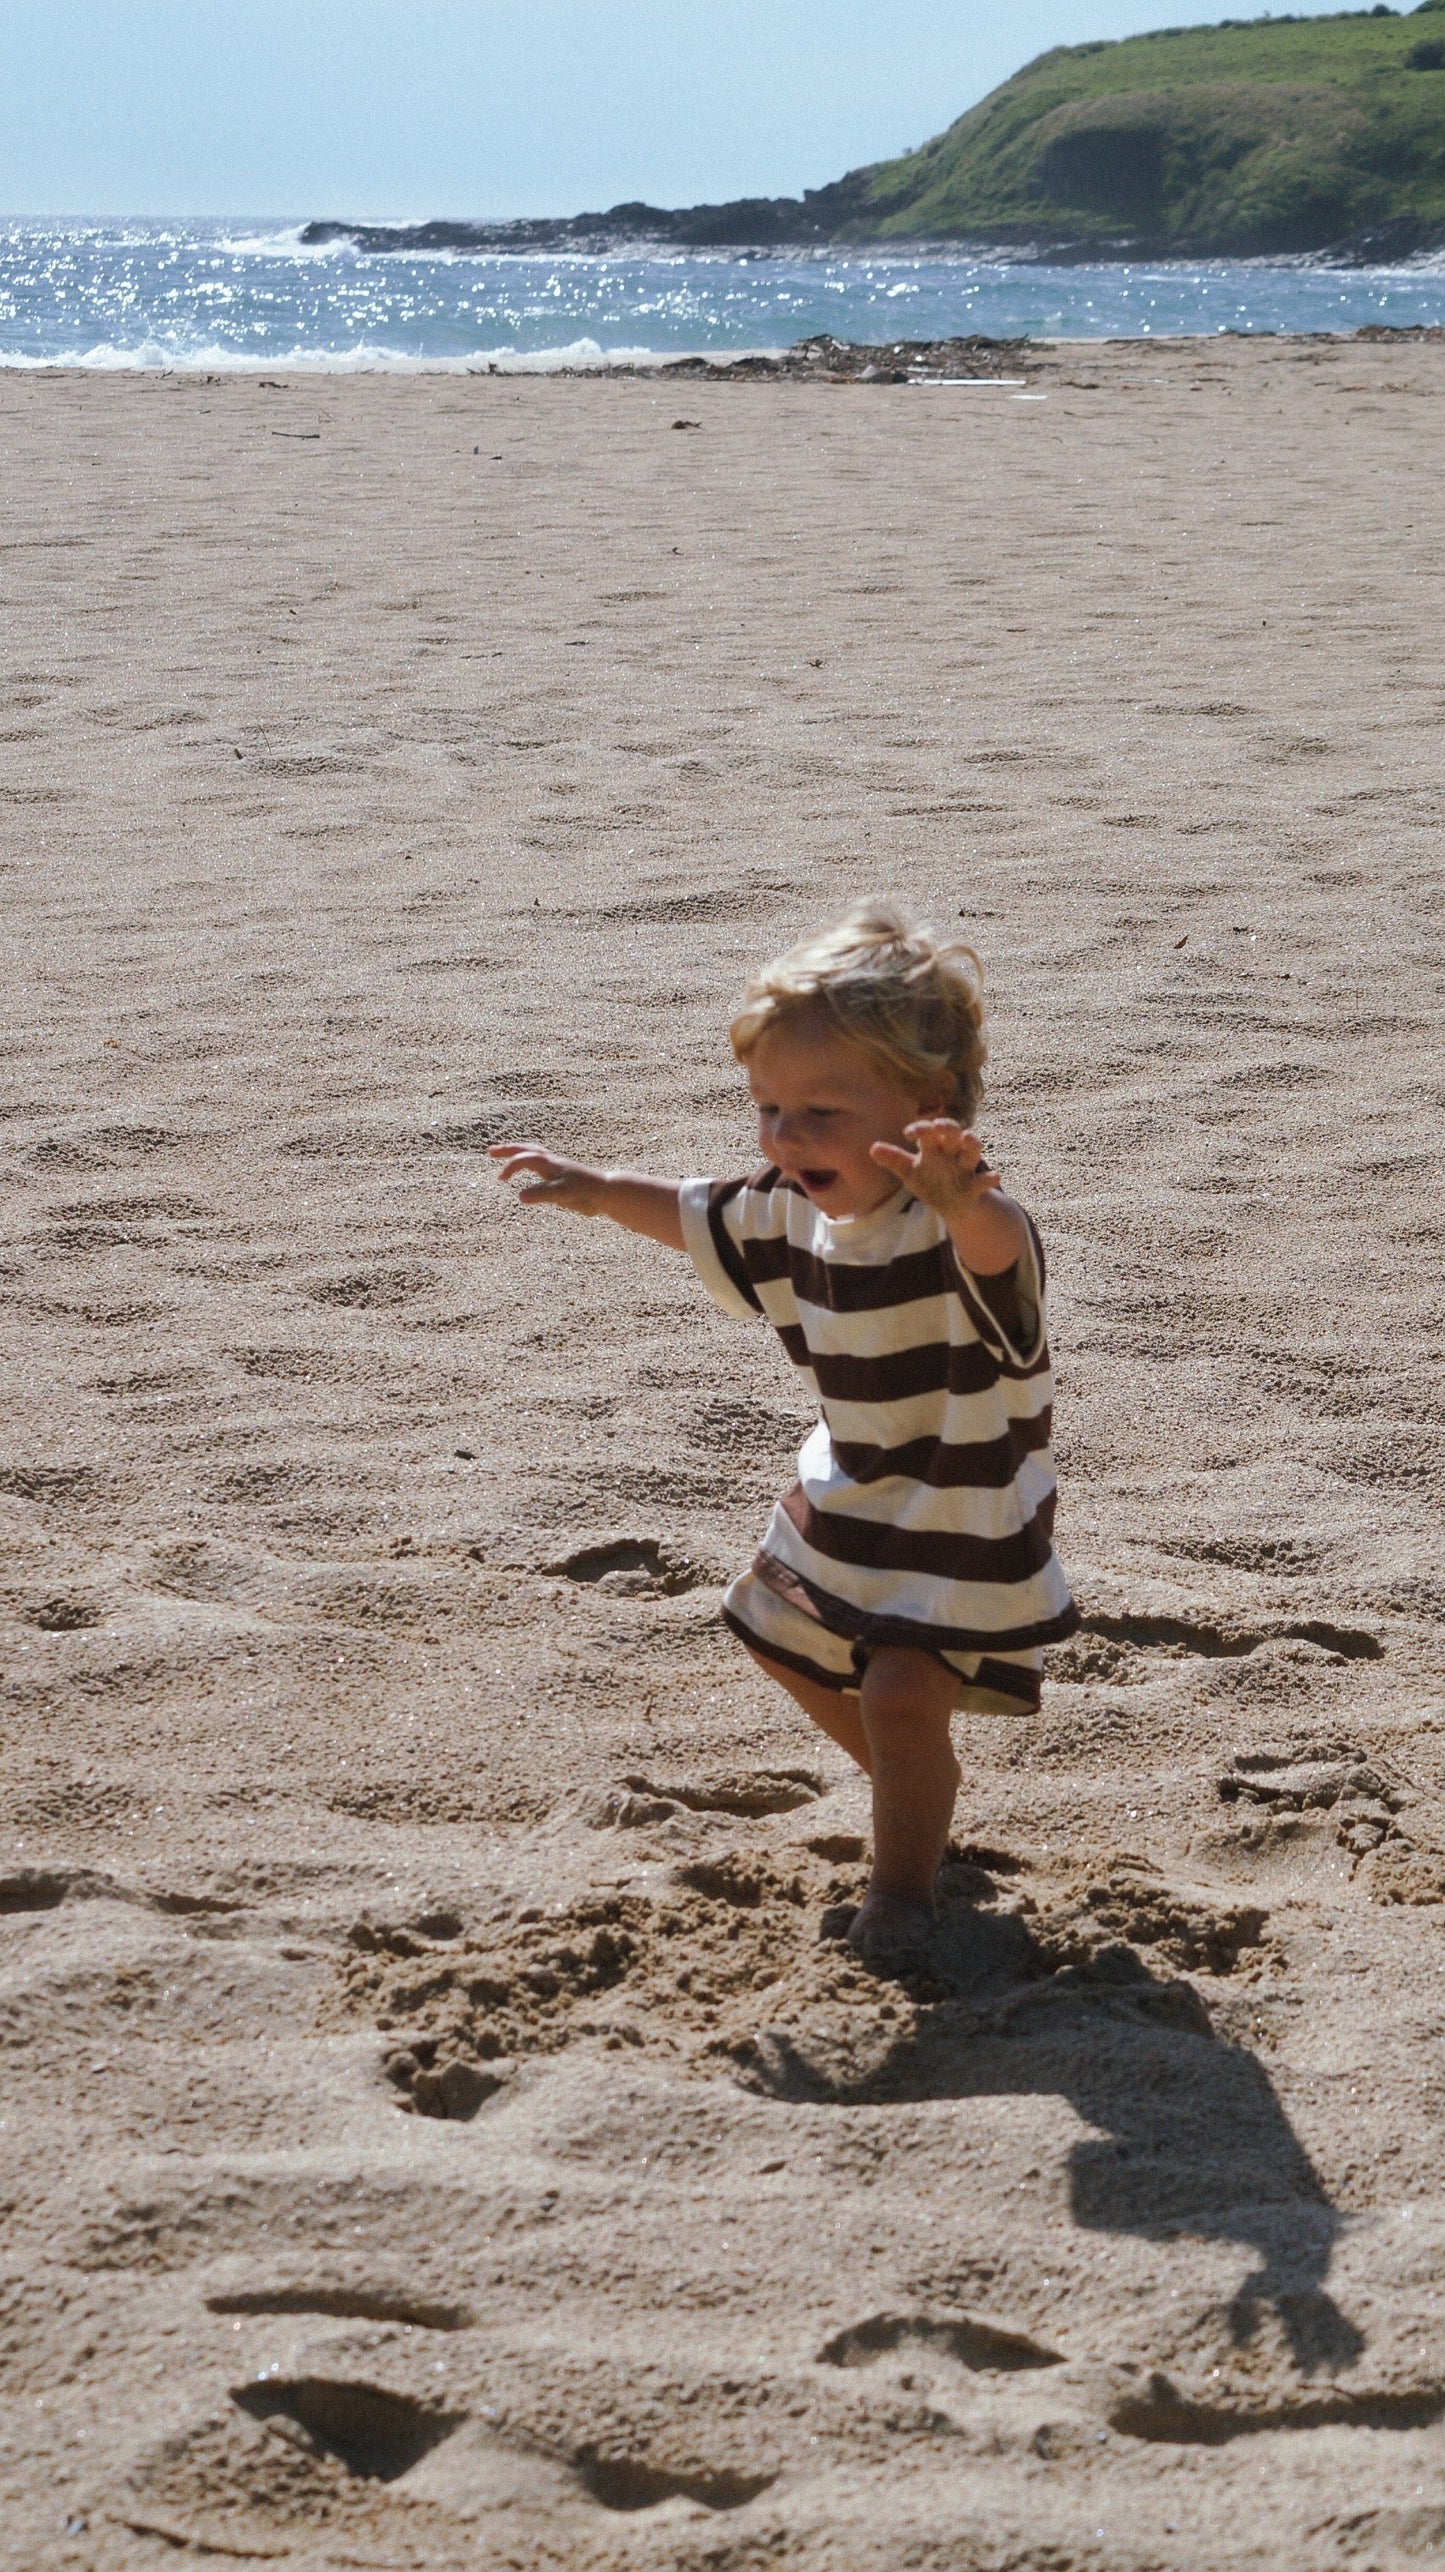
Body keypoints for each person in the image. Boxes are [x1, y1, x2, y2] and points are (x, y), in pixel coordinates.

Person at [490, 902, 1079, 1957]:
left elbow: (999, 1254)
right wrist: (596, 1190)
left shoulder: (958, 1227)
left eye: (819, 1109)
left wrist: (963, 1203)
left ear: (926, 1105)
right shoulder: (786, 1208)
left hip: (961, 1506)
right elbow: (693, 1214)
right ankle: (918, 1797)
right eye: (767, 1106)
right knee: (778, 1636)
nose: (784, 1136)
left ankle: (902, 1891)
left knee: (899, 1691)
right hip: (854, 1488)